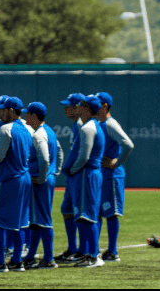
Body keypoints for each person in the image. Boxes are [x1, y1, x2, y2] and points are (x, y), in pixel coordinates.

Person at [0, 96, 33, 273]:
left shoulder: (5, 129)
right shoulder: (27, 128)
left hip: (9, 177)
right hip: (24, 177)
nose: (1, 112)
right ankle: (17, 260)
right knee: (19, 221)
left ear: (11, 110)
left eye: (4, 109)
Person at [62, 95, 106, 268]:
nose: (78, 108)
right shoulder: (91, 126)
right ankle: (89, 254)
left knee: (87, 216)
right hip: (88, 174)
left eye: (81, 105)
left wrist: (72, 170)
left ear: (87, 108)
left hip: (86, 174)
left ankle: (94, 256)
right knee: (84, 215)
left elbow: (84, 156)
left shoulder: (88, 127)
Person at [22, 102, 63, 269]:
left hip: (41, 181)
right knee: (37, 220)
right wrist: (55, 172)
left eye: (28, 114)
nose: (25, 117)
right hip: (47, 178)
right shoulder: (49, 131)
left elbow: (45, 159)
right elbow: (59, 152)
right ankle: (31, 255)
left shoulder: (39, 134)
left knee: (44, 220)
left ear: (33, 116)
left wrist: (42, 176)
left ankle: (48, 258)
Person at [95, 92, 134, 262]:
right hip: (103, 175)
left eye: (97, 104)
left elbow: (128, 144)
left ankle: (112, 251)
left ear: (104, 106)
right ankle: (93, 249)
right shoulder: (100, 123)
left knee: (110, 213)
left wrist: (116, 163)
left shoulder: (110, 124)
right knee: (97, 212)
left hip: (112, 175)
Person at [54, 93, 86, 263]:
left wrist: (74, 168)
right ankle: (73, 248)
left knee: (80, 212)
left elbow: (84, 152)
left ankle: (83, 249)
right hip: (73, 175)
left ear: (78, 107)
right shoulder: (76, 125)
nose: (66, 109)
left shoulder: (82, 125)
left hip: (79, 175)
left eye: (70, 106)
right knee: (67, 210)